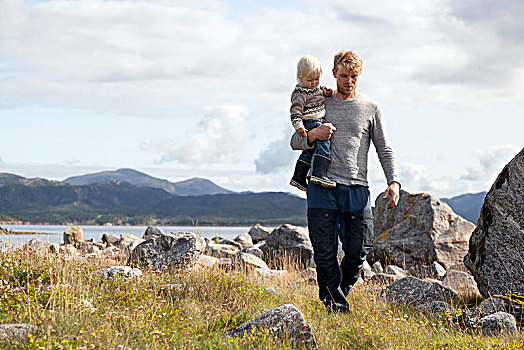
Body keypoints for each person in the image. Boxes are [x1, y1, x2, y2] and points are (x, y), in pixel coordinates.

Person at [290, 50, 400, 313]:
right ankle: (336, 308)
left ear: (358, 76)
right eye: (343, 75)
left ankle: (336, 293)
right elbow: (296, 141)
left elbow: (384, 148)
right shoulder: (319, 102)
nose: (348, 81)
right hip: (321, 186)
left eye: (353, 77)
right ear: (333, 74)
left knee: (358, 250)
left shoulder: (371, 108)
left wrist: (393, 181)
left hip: (356, 187)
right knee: (324, 253)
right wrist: (314, 133)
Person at [289, 55, 336, 192]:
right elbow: (295, 111)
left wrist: (326, 92)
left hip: (317, 120)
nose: (314, 83)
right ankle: (319, 173)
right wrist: (299, 126)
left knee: (309, 151)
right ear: (300, 76)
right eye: (310, 80)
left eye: (317, 79)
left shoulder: (315, 88)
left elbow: (320, 92)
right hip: (311, 122)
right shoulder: (300, 93)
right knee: (324, 143)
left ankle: (299, 177)